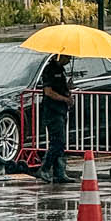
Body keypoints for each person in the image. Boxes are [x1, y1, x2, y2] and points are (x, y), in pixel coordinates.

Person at [36, 54, 72, 183]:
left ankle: (59, 173)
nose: (69, 60)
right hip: (52, 111)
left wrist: (68, 88)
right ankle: (44, 168)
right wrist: (65, 99)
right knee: (57, 141)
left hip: (62, 110)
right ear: (60, 56)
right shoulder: (50, 69)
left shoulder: (61, 70)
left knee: (61, 143)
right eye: (68, 57)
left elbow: (61, 88)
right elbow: (48, 92)